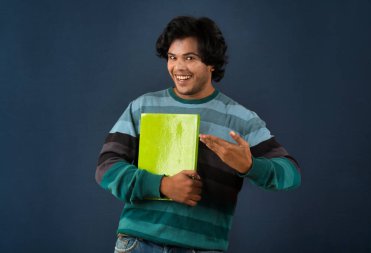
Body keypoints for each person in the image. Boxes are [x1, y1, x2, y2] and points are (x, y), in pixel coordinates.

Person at [95, 16, 301, 253]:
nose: (178, 67)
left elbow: (291, 173)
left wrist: (250, 166)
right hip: (138, 244)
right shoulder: (142, 106)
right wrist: (162, 185)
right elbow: (106, 166)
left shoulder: (241, 119)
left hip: (201, 248)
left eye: (190, 58)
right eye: (172, 57)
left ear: (211, 63)